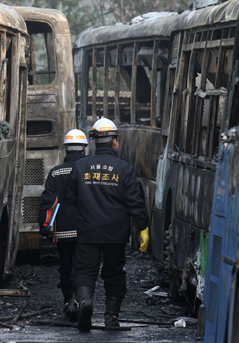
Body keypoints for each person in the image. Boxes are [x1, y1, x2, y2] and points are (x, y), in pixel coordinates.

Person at [66, 118, 149, 332]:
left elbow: (68, 197)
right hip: (116, 233)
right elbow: (136, 202)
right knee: (114, 273)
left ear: (94, 143)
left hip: (88, 231)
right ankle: (111, 317)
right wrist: (143, 228)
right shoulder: (125, 169)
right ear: (114, 142)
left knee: (85, 270)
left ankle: (85, 302)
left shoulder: (80, 166)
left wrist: (87, 207)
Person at [38, 129, 88, 320]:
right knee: (81, 266)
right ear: (84, 149)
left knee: (65, 266)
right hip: (85, 229)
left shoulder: (55, 172)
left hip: (62, 230)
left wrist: (44, 225)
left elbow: (49, 201)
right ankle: (78, 299)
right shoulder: (88, 169)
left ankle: (68, 301)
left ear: (65, 149)